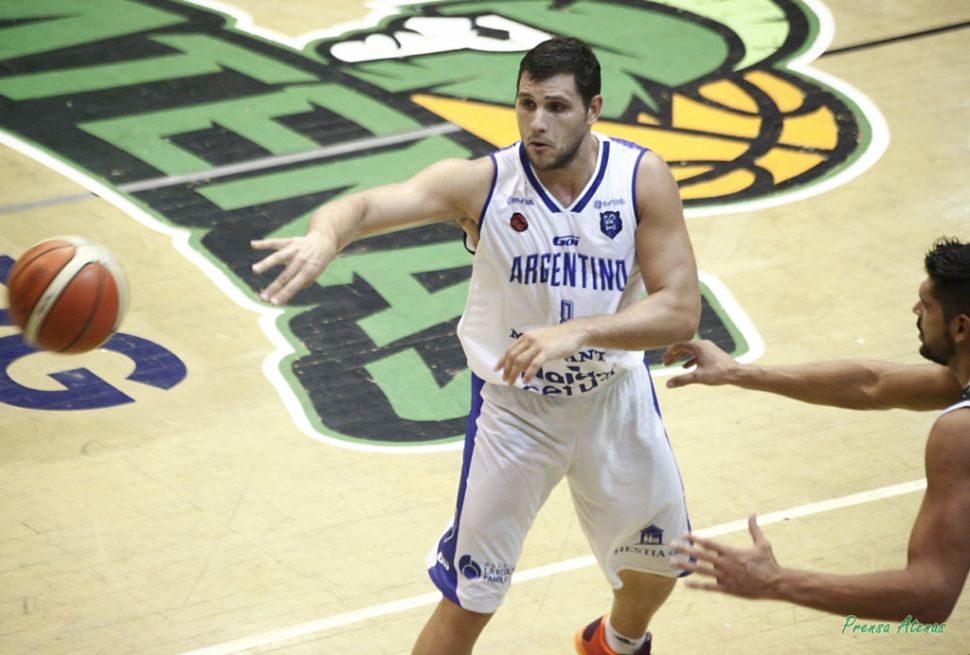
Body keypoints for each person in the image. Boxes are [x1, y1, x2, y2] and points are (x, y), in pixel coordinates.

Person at [251, 37, 700, 655]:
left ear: (593, 109)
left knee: (657, 566)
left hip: (612, 400)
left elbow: (680, 309)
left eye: (557, 107)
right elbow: (364, 205)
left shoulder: (639, 177)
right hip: (516, 414)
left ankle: (616, 642)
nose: (537, 122)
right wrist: (327, 236)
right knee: (471, 597)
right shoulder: (483, 184)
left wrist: (577, 331)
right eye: (526, 103)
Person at [664, 237, 970, 623]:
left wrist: (774, 582)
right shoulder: (957, 382)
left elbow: (930, 595)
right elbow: (870, 383)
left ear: (961, 327)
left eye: (927, 304)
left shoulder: (960, 431)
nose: (915, 310)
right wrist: (738, 373)